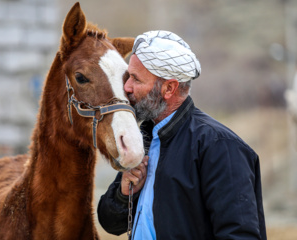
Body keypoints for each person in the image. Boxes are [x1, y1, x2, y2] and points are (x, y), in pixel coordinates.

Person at [97, 30, 267, 240]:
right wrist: (123, 195)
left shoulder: (220, 147)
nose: (127, 87)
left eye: (135, 79)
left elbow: (240, 235)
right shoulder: (146, 137)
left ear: (169, 88)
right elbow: (110, 224)